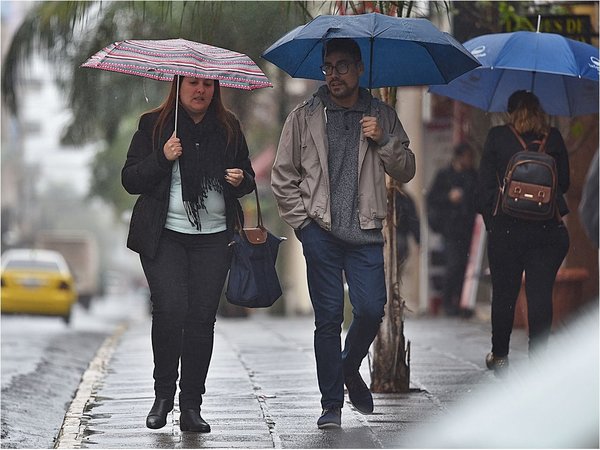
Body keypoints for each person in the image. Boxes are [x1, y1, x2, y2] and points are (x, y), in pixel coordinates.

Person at [271, 38, 416, 429]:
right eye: (328, 68)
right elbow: (282, 177)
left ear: (359, 68)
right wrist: (303, 226)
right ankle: (331, 404)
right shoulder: (304, 116)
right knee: (329, 319)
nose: (334, 75)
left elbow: (406, 169)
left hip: (366, 232)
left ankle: (349, 368)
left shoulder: (381, 115)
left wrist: (383, 140)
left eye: (342, 67)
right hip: (321, 233)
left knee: (371, 309)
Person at [121, 76, 255, 432]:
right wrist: (163, 158)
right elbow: (131, 179)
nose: (201, 91)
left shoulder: (228, 127)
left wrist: (241, 179)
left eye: (208, 85)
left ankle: (191, 405)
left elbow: (250, 178)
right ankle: (162, 396)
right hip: (164, 237)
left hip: (213, 239)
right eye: (193, 83)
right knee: (170, 309)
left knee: (200, 320)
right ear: (178, 86)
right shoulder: (154, 125)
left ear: (217, 90)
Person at [476, 90, 570, 374]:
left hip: (507, 229)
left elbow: (482, 190)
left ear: (510, 112)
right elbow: (563, 183)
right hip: (547, 231)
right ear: (539, 111)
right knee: (540, 294)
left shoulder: (497, 137)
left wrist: (494, 223)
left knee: (505, 293)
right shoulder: (553, 138)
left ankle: (501, 356)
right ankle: (538, 359)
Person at [426, 143, 478, 316]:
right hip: (450, 228)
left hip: (469, 227)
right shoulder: (444, 175)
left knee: (465, 266)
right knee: (453, 264)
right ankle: (448, 302)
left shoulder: (473, 176)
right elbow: (432, 198)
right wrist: (449, 197)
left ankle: (462, 303)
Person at [395, 185, 420, 272]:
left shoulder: (405, 198)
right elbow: (413, 220)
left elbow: (413, 220)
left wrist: (418, 240)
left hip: (400, 235)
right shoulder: (406, 198)